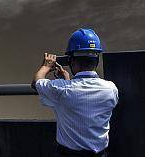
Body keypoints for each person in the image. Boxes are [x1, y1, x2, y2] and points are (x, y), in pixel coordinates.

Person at [32, 28, 119, 157]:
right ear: (97, 60)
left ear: (72, 61)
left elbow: (36, 84)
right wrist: (67, 79)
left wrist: (46, 66)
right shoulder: (111, 89)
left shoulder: (61, 90)